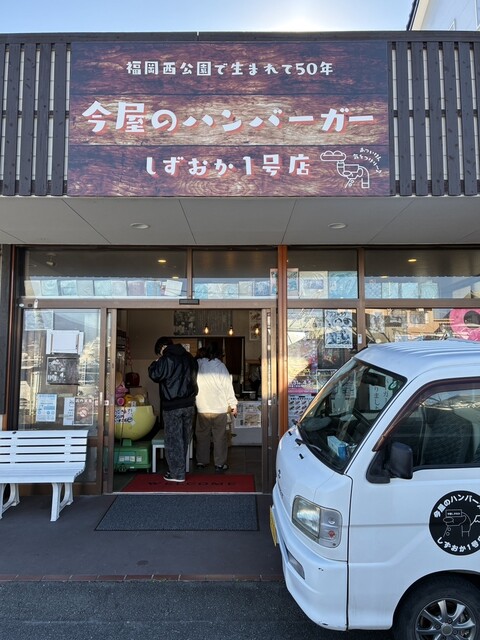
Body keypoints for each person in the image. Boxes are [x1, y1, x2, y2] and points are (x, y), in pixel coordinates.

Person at [148, 337, 198, 483]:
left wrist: (155, 363)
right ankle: (179, 469)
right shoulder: (189, 357)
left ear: (162, 348)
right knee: (184, 438)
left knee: (173, 440)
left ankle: (177, 474)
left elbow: (155, 374)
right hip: (189, 404)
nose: (159, 355)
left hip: (172, 405)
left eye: (159, 352)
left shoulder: (166, 359)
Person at [195, 342, 238, 472]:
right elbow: (228, 387)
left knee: (202, 436)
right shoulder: (221, 367)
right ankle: (219, 464)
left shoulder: (199, 364)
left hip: (202, 408)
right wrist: (233, 404)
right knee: (219, 437)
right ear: (219, 353)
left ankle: (201, 461)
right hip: (219, 409)